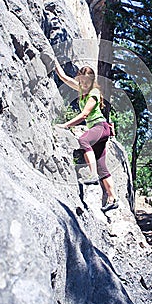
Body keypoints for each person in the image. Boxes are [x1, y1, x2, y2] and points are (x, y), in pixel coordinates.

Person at [54, 59, 118, 212]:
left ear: (92, 81)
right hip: (99, 130)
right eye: (81, 81)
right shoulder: (81, 89)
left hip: (100, 127)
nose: (83, 84)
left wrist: (65, 125)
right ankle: (113, 198)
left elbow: (85, 114)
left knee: (83, 140)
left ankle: (93, 175)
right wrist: (55, 61)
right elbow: (63, 77)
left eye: (86, 82)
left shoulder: (94, 92)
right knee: (102, 165)